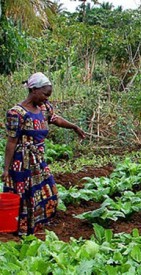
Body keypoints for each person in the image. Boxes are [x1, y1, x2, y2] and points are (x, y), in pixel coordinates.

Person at [2, 72, 85, 236]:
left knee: (49, 193)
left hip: (38, 159)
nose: (46, 98)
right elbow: (11, 142)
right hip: (21, 162)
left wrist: (74, 126)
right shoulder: (16, 113)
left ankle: (37, 226)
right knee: (25, 196)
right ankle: (21, 231)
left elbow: (55, 119)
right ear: (33, 90)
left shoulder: (44, 108)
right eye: (45, 94)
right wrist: (6, 169)